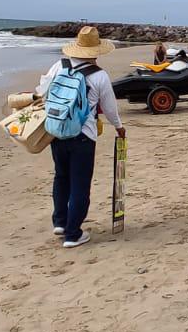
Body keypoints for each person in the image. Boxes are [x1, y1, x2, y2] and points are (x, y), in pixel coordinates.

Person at [36, 26, 125, 248]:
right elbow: (110, 107)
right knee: (80, 184)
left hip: (56, 131)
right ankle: (73, 234)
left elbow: (42, 92)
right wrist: (119, 127)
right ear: (96, 51)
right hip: (83, 136)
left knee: (61, 176)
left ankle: (60, 221)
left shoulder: (59, 65)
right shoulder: (99, 75)